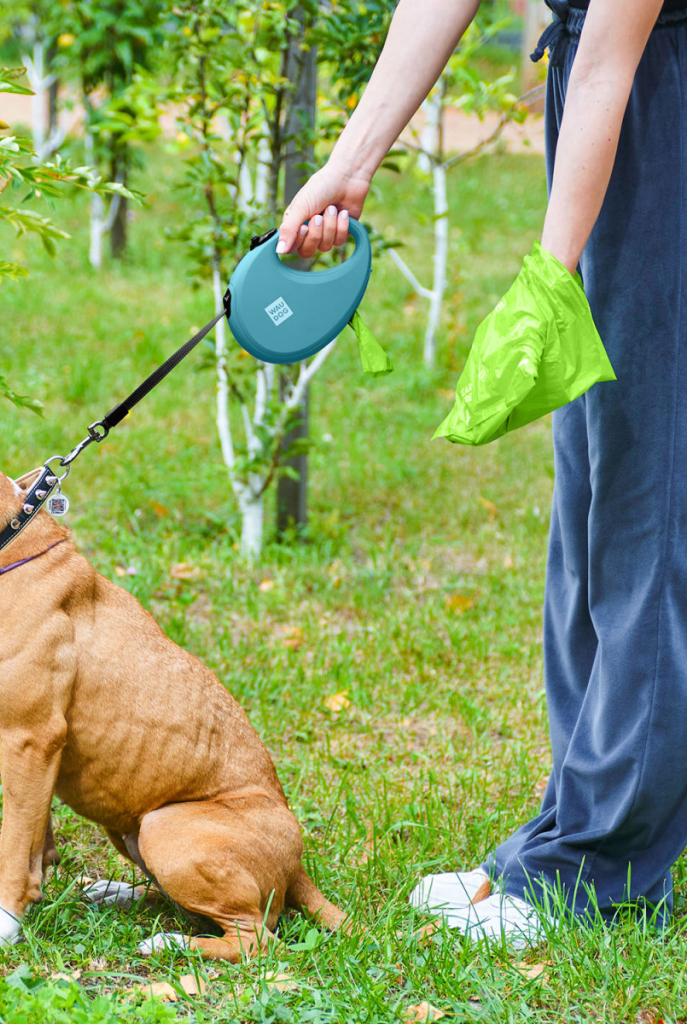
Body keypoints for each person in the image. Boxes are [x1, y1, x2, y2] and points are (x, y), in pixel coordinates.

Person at [280, 0, 687, 946]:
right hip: (600, 89)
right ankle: (574, 826)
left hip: (656, 98)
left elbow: (612, 63)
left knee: (652, 499)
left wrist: (548, 279)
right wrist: (350, 164)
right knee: (593, 495)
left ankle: (605, 869)